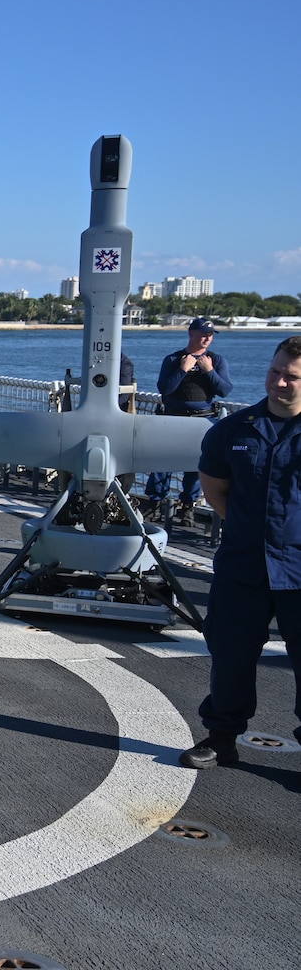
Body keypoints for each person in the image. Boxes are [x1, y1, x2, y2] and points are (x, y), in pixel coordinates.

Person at [180, 336, 301, 769]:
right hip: (244, 563)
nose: (278, 383)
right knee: (231, 653)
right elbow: (216, 491)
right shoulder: (233, 430)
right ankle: (221, 737)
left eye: (291, 377)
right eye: (275, 372)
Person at [145, 317, 232, 519]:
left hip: (202, 420)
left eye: (210, 335)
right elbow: (165, 389)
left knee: (196, 465)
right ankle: (155, 503)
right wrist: (182, 370)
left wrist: (209, 371)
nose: (207, 338)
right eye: (203, 334)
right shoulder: (173, 360)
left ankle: (187, 507)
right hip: (172, 418)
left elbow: (225, 390)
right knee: (162, 462)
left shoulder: (216, 361)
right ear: (191, 333)